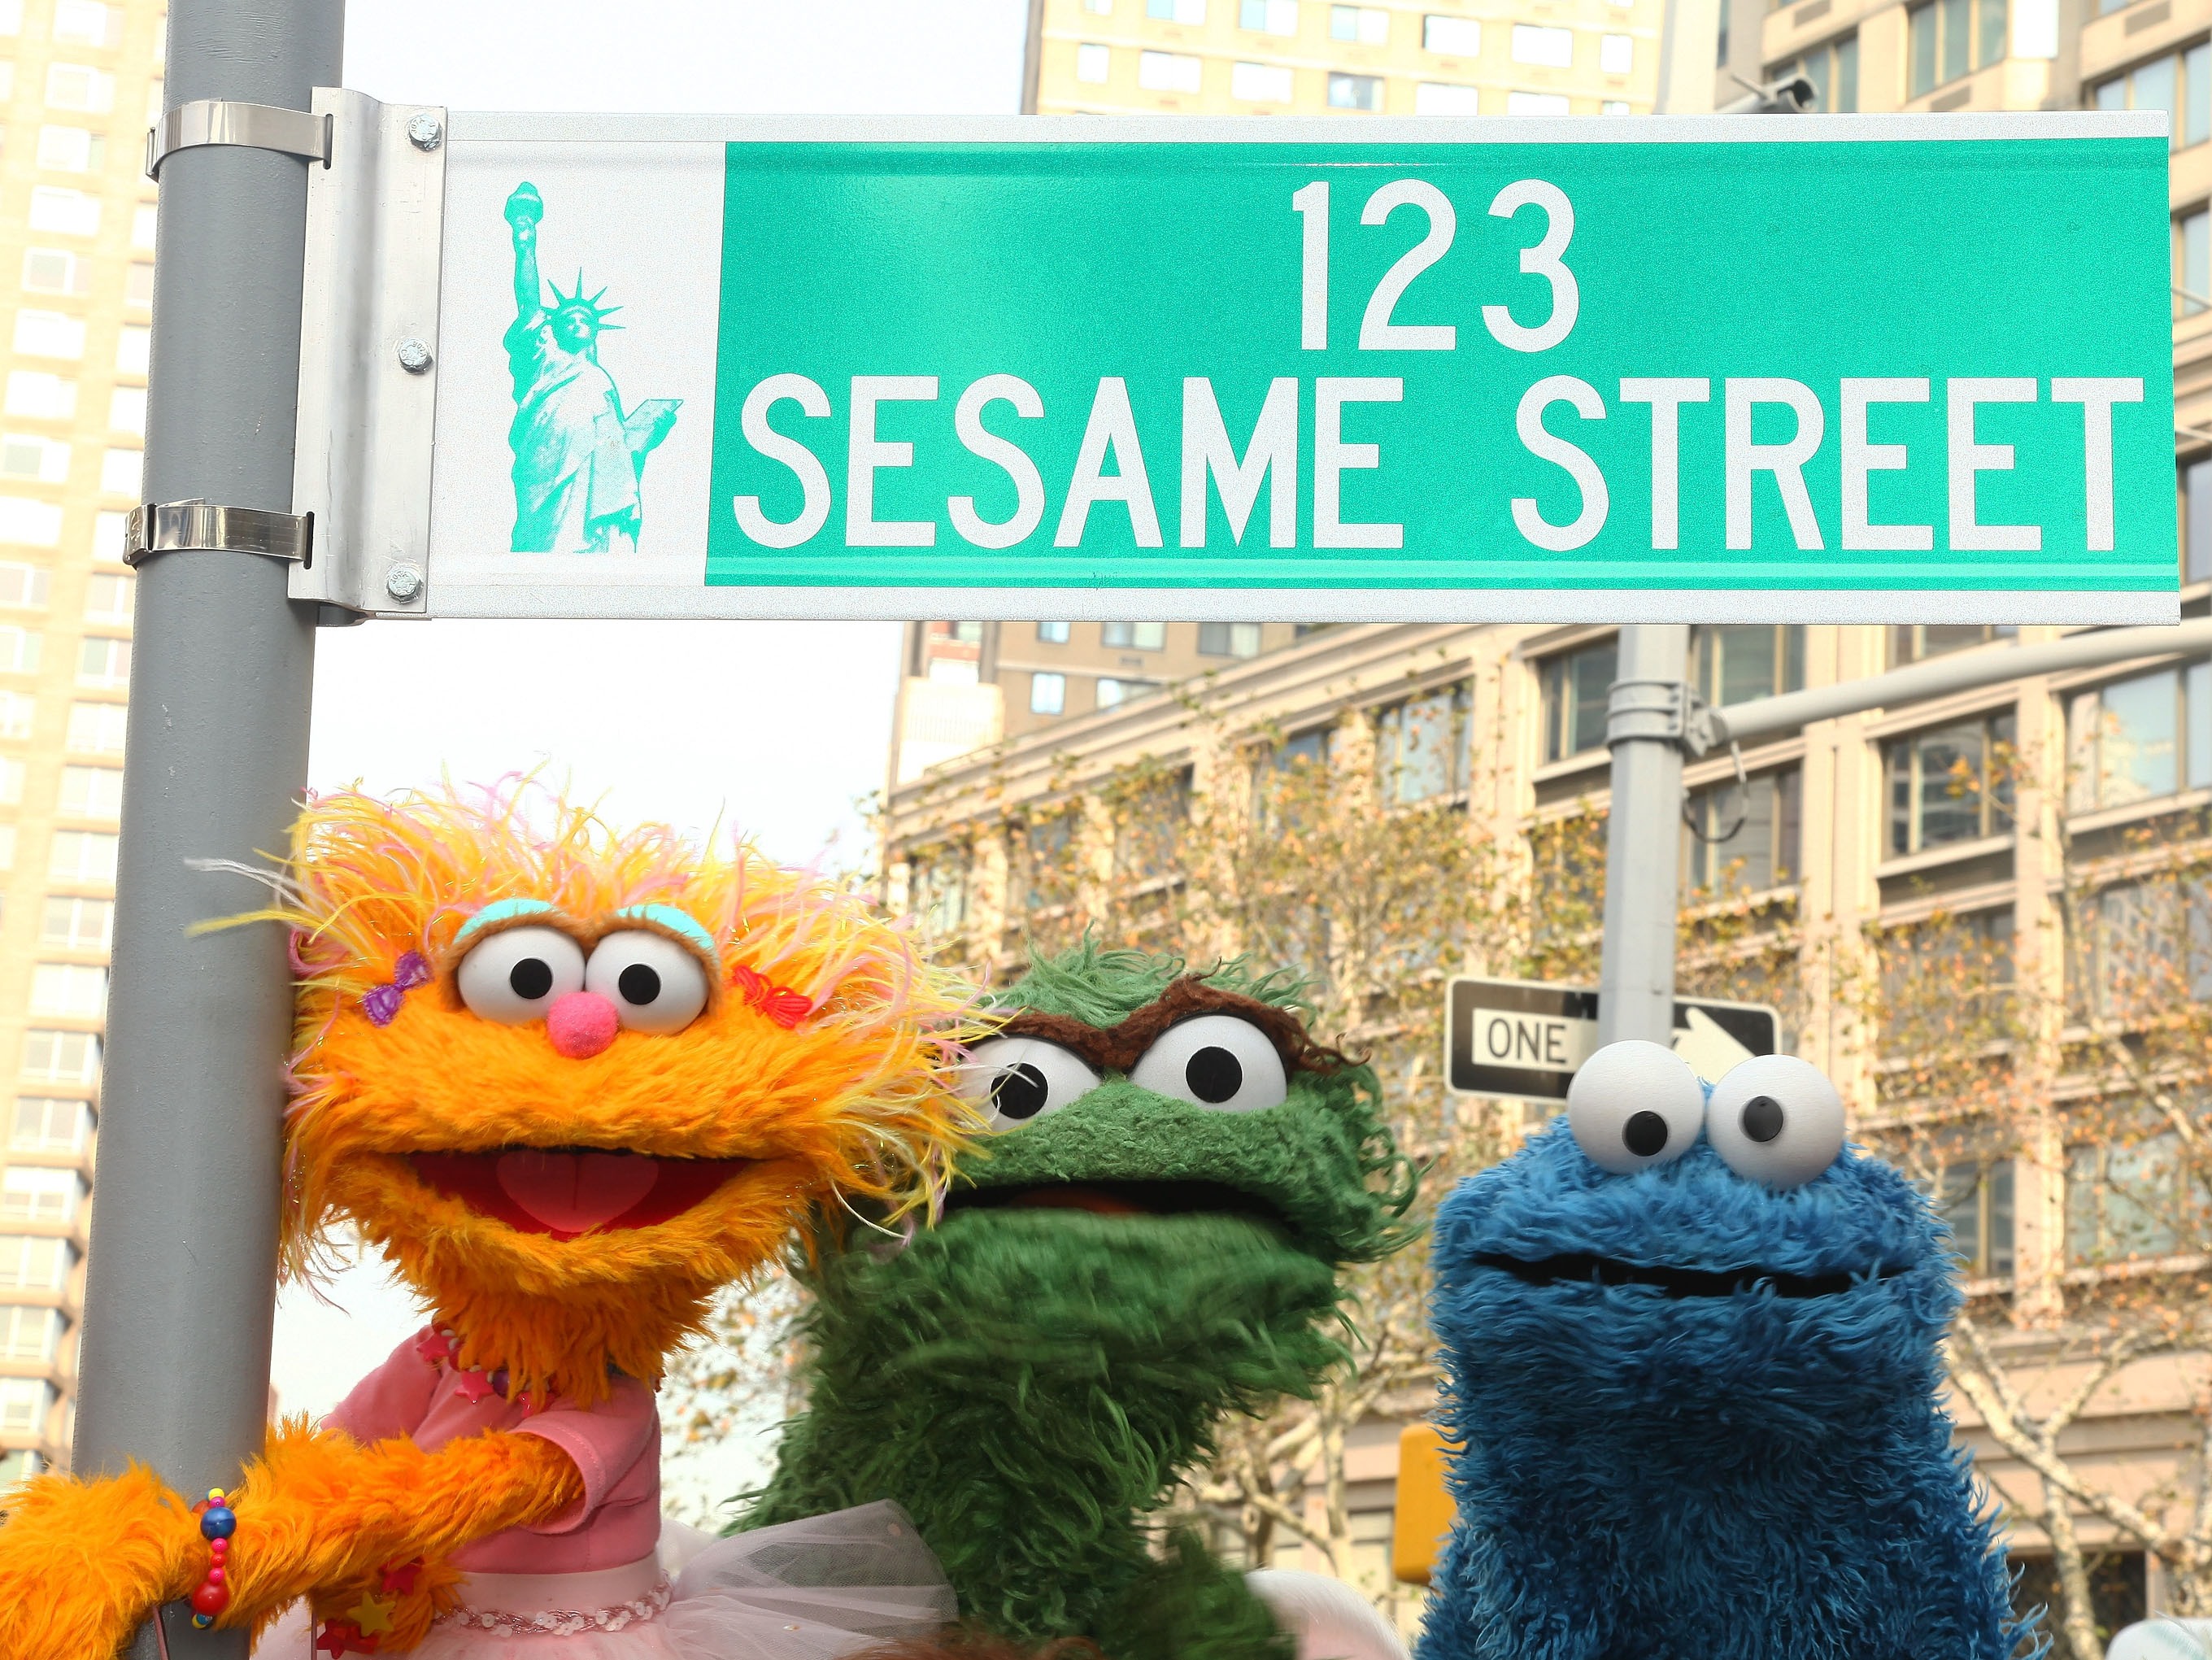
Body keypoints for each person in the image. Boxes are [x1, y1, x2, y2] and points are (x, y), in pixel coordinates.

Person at [502, 182, 678, 556]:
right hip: (545, 457)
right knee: (544, 537)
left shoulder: (599, 380)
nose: (578, 323)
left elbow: (619, 453)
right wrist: (525, 236)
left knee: (594, 541)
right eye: (569, 317)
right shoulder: (542, 356)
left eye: (586, 319)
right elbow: (529, 301)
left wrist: (647, 430)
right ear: (554, 327)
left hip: (593, 482)